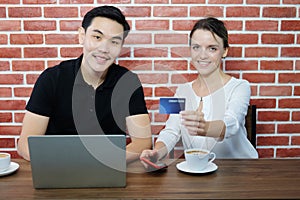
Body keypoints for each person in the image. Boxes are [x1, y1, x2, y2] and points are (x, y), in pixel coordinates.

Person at [17, 5, 152, 163]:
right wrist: (70, 163)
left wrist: (99, 162)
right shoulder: (52, 79)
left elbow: (142, 142)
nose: (104, 48)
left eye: (114, 42)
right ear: (82, 36)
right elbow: (25, 144)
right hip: (57, 169)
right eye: (97, 37)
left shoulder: (128, 82)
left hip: (107, 170)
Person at [140, 17, 258, 167]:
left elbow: (232, 124)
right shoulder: (181, 90)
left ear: (225, 51)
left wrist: (205, 127)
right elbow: (171, 130)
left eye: (212, 48)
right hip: (199, 170)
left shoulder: (240, 86)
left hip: (240, 171)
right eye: (196, 47)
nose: (202, 55)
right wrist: (156, 152)